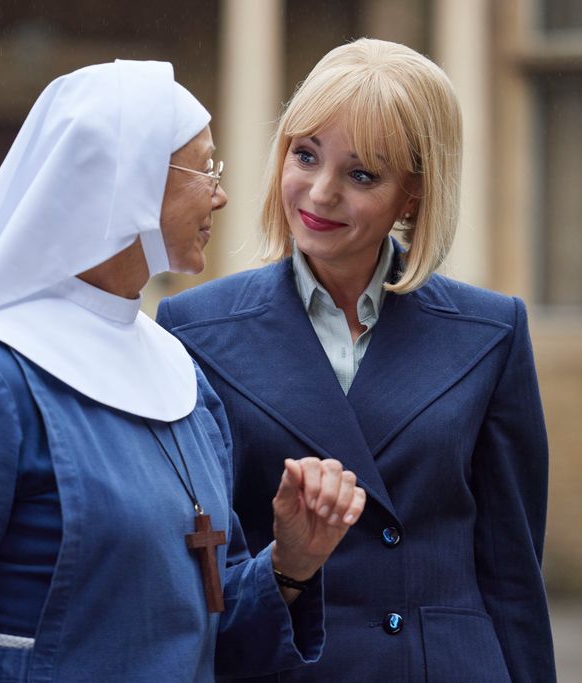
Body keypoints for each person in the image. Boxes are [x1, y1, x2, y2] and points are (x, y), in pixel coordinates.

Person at [0, 60, 368, 683]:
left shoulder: (183, 377)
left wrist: (291, 561)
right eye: (204, 168)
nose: (220, 193)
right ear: (128, 181)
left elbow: (214, 633)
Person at [158, 39, 556, 682]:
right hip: (288, 664)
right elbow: (198, 576)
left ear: (413, 196)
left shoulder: (491, 332)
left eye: (361, 174)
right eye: (305, 155)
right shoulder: (193, 330)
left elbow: (513, 575)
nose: (319, 193)